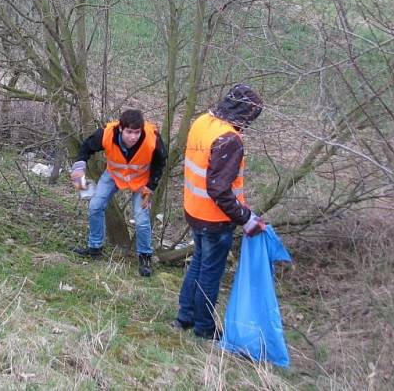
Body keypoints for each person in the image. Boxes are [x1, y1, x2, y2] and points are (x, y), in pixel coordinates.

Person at [173, 83, 267, 340]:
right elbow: (219, 190)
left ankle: (185, 318)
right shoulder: (229, 139)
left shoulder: (202, 122)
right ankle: (204, 328)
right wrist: (246, 218)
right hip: (215, 219)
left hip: (194, 209)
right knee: (210, 273)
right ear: (246, 113)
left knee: (198, 265)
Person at [69, 109, 167, 278]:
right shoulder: (106, 133)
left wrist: (151, 187)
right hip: (113, 175)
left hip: (141, 181)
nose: (133, 137)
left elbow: (160, 162)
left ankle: (145, 258)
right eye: (129, 132)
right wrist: (79, 166)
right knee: (95, 206)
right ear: (121, 129)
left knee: (142, 219)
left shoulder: (152, 137)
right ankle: (95, 248)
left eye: (137, 132)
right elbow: (86, 147)